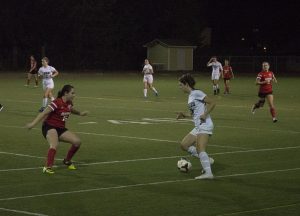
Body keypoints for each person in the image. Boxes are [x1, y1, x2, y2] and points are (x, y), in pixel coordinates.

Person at [26, 84, 89, 174]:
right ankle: (47, 167)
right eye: (72, 93)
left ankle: (67, 161)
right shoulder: (56, 102)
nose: (74, 95)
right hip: (49, 127)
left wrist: (80, 113)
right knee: (54, 145)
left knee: (77, 142)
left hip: (60, 128)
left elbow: (71, 109)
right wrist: (33, 124)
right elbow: (43, 113)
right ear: (66, 93)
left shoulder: (69, 103)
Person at [176, 73, 216, 179]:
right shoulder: (190, 97)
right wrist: (184, 114)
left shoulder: (197, 93)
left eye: (180, 85)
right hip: (198, 126)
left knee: (200, 149)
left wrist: (205, 114)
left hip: (205, 125)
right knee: (184, 145)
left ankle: (208, 173)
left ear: (186, 84)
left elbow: (212, 102)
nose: (179, 87)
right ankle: (208, 160)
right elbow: (193, 114)